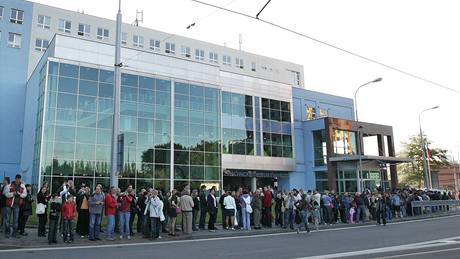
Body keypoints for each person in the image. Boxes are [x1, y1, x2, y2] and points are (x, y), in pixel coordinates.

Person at [3, 174, 27, 238]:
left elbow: (25, 194)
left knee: (15, 220)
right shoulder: (9, 185)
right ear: (15, 178)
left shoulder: (22, 186)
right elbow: (6, 194)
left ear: (20, 179)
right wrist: (13, 194)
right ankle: (7, 232)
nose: (18, 180)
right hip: (9, 204)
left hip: (17, 205)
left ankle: (14, 233)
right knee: (7, 219)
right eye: (17, 178)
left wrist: (20, 194)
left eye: (19, 179)